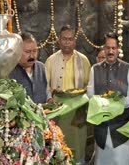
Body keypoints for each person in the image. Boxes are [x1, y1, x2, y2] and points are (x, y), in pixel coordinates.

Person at [86, 32, 129, 165]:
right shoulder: (95, 69)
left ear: (118, 48)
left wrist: (116, 105)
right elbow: (90, 93)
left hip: (121, 130)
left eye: (113, 48)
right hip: (101, 129)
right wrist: (103, 104)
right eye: (108, 48)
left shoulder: (127, 68)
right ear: (103, 48)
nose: (110, 51)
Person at [45, 25, 91, 165]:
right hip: (58, 112)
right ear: (59, 40)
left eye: (70, 39)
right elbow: (46, 86)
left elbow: (89, 86)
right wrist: (50, 99)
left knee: (78, 146)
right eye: (64, 39)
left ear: (74, 42)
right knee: (59, 144)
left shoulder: (83, 61)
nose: (67, 42)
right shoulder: (51, 61)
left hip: (77, 112)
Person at [9, 32, 50, 104]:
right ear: (17, 51)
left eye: (34, 51)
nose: (32, 56)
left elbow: (46, 90)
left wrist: (49, 99)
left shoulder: (41, 67)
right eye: (28, 52)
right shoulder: (9, 71)